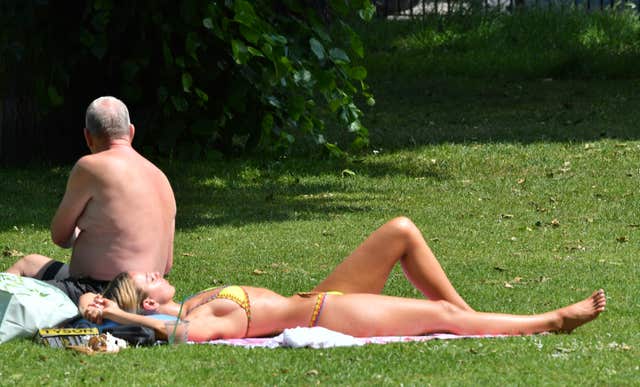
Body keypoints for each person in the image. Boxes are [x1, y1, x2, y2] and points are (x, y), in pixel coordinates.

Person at [79, 218, 606, 341]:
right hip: (325, 313)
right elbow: (177, 337)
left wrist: (105, 309)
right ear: (148, 305)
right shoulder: (197, 317)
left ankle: (471, 319)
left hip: (321, 293)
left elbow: (159, 321)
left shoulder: (194, 298)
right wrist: (119, 313)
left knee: (401, 231)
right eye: (144, 280)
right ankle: (551, 321)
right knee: (438, 319)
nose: (152, 271)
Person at [5, 96, 176, 304]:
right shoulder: (161, 177)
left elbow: (60, 236)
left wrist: (79, 234)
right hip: (151, 292)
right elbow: (167, 264)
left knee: (16, 283)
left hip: (100, 292)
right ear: (131, 131)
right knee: (30, 263)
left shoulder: (90, 167)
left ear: (88, 137)